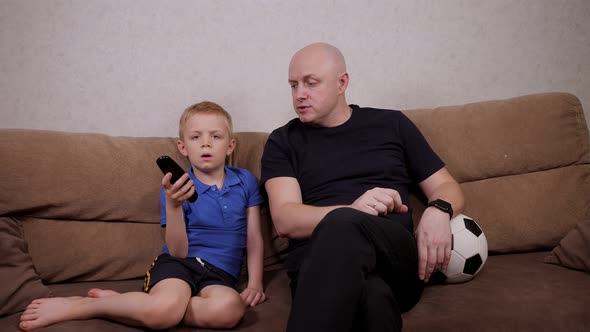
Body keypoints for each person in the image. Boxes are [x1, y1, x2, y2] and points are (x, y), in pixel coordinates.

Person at [261, 42, 465, 332]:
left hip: (394, 257)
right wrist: (353, 210)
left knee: (346, 225)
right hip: (318, 268)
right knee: (374, 300)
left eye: (311, 83)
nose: (299, 95)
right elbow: (285, 219)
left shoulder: (391, 124)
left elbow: (447, 186)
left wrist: (438, 210)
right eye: (293, 85)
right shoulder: (283, 141)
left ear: (342, 82)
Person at [19, 101, 266, 331]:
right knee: (163, 311)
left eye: (216, 136)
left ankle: (133, 305)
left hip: (220, 275)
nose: (206, 144)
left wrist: (255, 283)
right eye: (195, 137)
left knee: (230, 310)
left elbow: (253, 237)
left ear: (230, 145)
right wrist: (174, 205)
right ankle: (85, 306)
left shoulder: (244, 181)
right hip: (178, 266)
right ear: (183, 147)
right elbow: (178, 252)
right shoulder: (175, 187)